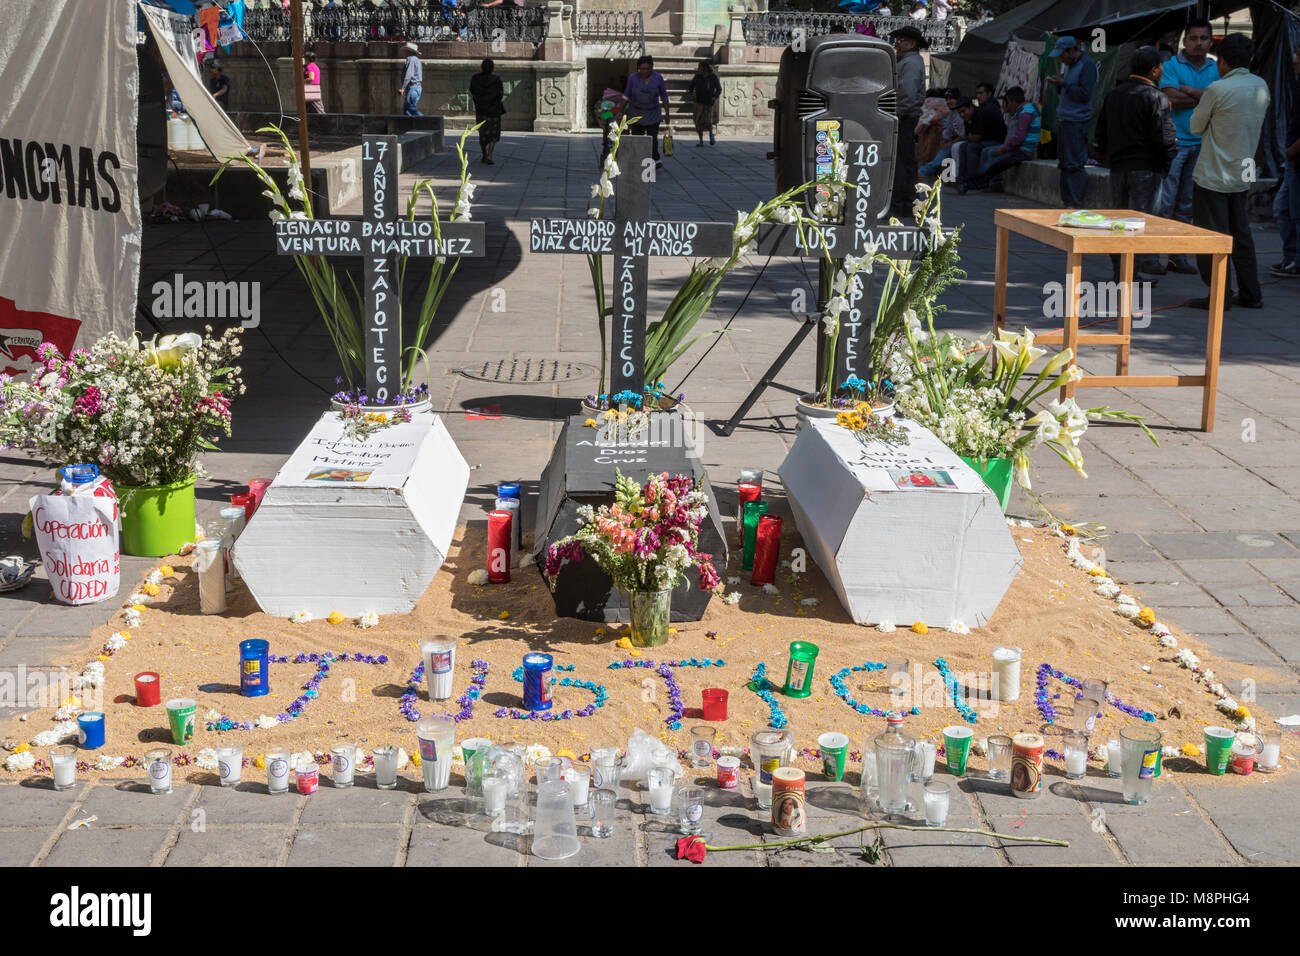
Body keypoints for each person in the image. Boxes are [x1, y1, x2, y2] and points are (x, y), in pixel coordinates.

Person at [1188, 33, 1270, 310]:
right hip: (1244, 170)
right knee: (1242, 235)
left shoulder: (1218, 89)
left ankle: (1220, 295)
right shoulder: (1261, 86)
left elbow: (1195, 127)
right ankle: (1251, 293)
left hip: (1214, 173)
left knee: (1212, 237)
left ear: (1222, 61)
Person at [1094, 47, 1177, 279]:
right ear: (1154, 70)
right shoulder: (1156, 97)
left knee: (1119, 222)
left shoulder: (1114, 94)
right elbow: (1165, 137)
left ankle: (1119, 271)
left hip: (1118, 166)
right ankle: (1130, 274)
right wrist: (1168, 159)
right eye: (1161, 66)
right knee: (1140, 222)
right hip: (1147, 168)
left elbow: (1100, 134)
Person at [1155, 19, 1219, 274]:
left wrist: (1187, 89)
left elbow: (1217, 101)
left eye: (1204, 38)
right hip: (1176, 145)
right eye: (1194, 38)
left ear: (1211, 41)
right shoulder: (1170, 65)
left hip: (1203, 145)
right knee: (1165, 203)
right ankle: (1153, 257)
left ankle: (1176, 257)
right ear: (1185, 41)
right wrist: (1204, 97)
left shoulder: (1215, 67)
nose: (1199, 43)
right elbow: (1171, 98)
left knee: (1187, 205)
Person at [1046, 36, 1098, 208]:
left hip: (1077, 121)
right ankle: (1067, 200)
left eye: (1063, 55)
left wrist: (1065, 84)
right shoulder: (1071, 66)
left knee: (1074, 163)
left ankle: (1075, 202)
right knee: (1065, 163)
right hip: (1066, 120)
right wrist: (1060, 85)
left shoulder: (1087, 66)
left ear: (1071, 50)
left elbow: (1084, 95)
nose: (1061, 59)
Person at [956, 86, 1039, 193]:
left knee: (993, 163)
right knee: (992, 161)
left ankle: (969, 183)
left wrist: (1003, 149)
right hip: (1020, 149)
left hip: (1023, 151)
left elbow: (1018, 138)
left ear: (1012, 101)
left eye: (1007, 103)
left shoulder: (1026, 113)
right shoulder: (1024, 111)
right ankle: (972, 183)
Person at [891, 26, 928, 217]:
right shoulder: (905, 61)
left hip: (904, 116)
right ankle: (905, 202)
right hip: (904, 114)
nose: (897, 44)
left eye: (901, 40)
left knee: (903, 161)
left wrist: (898, 112)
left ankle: (904, 203)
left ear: (912, 43)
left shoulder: (911, 63)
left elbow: (908, 92)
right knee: (903, 160)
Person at [1272, 45, 1300, 278]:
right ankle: (1291, 258)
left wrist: (1291, 151)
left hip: (1296, 160)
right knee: (1282, 209)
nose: (1294, 59)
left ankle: (1296, 262)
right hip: (1292, 161)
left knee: (1295, 213)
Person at [621, 56, 671, 167]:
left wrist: (667, 113)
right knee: (637, 139)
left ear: (652, 68)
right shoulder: (633, 78)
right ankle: (639, 160)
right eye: (642, 69)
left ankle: (655, 159)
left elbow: (664, 97)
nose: (645, 71)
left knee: (652, 139)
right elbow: (626, 95)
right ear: (638, 68)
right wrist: (620, 112)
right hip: (636, 113)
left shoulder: (658, 78)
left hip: (653, 113)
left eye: (648, 68)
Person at [955, 82, 1005, 185]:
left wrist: (971, 137)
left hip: (996, 141)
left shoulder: (989, 108)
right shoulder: (980, 109)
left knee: (971, 147)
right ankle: (963, 177)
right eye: (977, 93)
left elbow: (976, 137)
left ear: (989, 94)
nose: (978, 96)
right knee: (964, 146)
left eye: (981, 93)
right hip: (986, 140)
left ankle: (973, 179)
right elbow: (970, 135)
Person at [920, 95, 971, 180]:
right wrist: (944, 141)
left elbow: (963, 136)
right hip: (955, 140)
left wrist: (950, 143)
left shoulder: (961, 114)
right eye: (947, 99)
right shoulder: (952, 113)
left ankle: (925, 171)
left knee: (948, 149)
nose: (948, 101)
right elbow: (948, 131)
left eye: (951, 99)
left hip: (964, 141)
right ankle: (928, 172)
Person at [469, 58, 505, 164]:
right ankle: (490, 155)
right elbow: (500, 94)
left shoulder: (475, 78)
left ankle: (484, 154)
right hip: (494, 110)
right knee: (494, 133)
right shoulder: (496, 79)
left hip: (481, 110)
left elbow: (472, 91)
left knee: (483, 133)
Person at [689, 61, 722, 147]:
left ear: (705, 68)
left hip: (708, 103)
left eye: (700, 67)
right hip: (698, 102)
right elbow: (691, 86)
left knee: (708, 121)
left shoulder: (713, 77)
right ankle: (701, 140)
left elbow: (719, 89)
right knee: (697, 121)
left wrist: (714, 97)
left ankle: (711, 135)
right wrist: (693, 93)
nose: (698, 69)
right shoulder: (697, 77)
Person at [399, 41, 423, 117]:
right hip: (417, 87)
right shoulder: (417, 60)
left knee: (410, 107)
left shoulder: (411, 59)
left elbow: (409, 75)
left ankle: (427, 121)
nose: (404, 52)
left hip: (413, 87)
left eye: (406, 50)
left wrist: (403, 88)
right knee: (406, 110)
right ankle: (407, 127)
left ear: (409, 51)